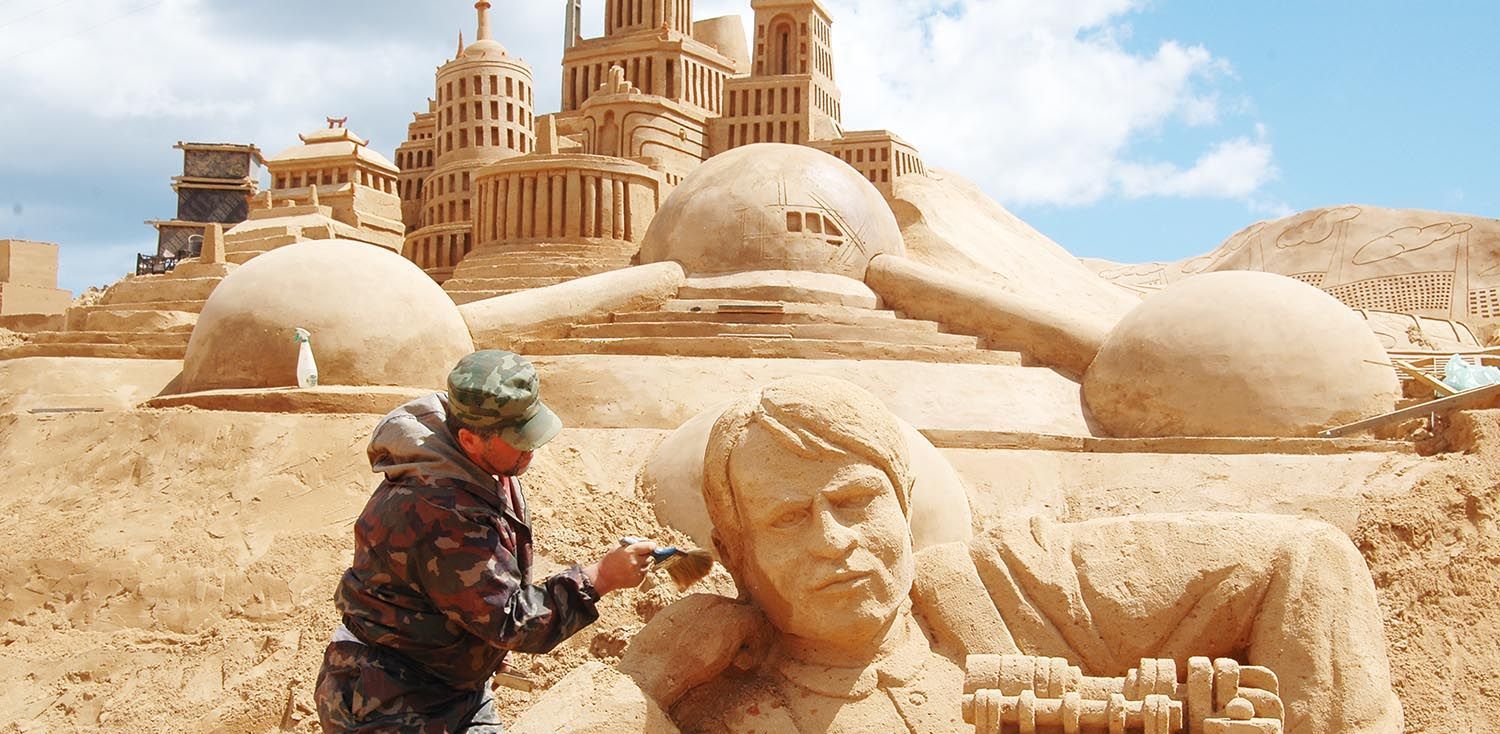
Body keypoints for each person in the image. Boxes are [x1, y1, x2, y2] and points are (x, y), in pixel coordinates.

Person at [618, 376, 1402, 734]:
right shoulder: (724, 710)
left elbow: (1305, 561)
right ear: (737, 553)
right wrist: (643, 679)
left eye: (857, 502)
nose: (835, 541)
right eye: (788, 519)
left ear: (902, 501)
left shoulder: (981, 594)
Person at [315, 350, 657, 733]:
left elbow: (480, 591)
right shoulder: (441, 508)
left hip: (449, 685)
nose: (531, 448)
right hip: (390, 697)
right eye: (518, 439)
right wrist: (600, 577)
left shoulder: (479, 464)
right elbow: (513, 620)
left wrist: (479, 652)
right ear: (469, 439)